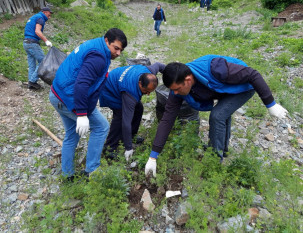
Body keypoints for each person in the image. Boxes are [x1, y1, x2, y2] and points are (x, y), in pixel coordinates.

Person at [145, 55, 288, 177]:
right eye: (172, 90)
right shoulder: (177, 90)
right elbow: (167, 120)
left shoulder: (216, 69)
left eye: (177, 89)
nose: (175, 93)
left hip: (244, 86)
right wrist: (153, 156)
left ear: (188, 80)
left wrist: (270, 104)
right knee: (222, 114)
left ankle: (214, 162)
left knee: (217, 115)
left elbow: (253, 74)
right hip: (223, 90)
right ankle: (223, 150)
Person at [49, 28, 127, 181]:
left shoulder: (95, 45)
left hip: (57, 93)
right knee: (101, 127)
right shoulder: (98, 57)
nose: (118, 53)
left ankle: (68, 175)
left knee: (72, 134)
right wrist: (82, 114)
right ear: (106, 41)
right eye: (116, 48)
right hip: (68, 98)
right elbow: (82, 84)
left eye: (121, 50)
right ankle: (92, 170)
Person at [99, 62, 165, 161]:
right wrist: (128, 148)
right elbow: (126, 122)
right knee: (120, 115)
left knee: (139, 108)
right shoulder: (130, 93)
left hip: (118, 81)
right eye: (146, 91)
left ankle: (131, 136)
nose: (147, 94)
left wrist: (172, 75)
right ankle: (109, 148)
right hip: (109, 90)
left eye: (150, 92)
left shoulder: (149, 71)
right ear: (140, 83)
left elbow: (159, 65)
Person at [23, 7, 53, 90]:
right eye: (49, 15)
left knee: (32, 64)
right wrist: (46, 41)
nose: (49, 17)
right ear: (45, 12)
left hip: (26, 42)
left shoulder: (34, 17)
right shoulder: (40, 18)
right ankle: (32, 81)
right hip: (32, 43)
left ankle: (31, 84)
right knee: (43, 61)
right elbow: (37, 31)